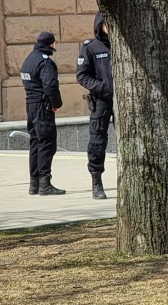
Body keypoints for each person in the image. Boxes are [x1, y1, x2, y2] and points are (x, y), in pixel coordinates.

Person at [21, 31, 66, 196]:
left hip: (31, 106)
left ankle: (34, 184)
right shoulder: (45, 62)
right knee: (47, 143)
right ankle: (45, 184)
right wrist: (56, 103)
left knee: (35, 144)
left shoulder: (30, 58)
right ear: (51, 44)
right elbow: (50, 86)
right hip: (43, 106)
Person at [77, 12, 114, 199]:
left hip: (124, 100)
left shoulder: (122, 44)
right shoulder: (91, 47)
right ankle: (96, 181)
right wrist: (102, 87)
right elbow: (82, 75)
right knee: (97, 140)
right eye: (106, 24)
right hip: (101, 100)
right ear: (100, 26)